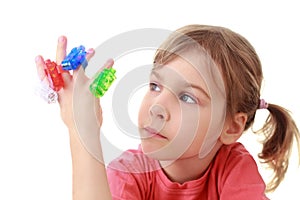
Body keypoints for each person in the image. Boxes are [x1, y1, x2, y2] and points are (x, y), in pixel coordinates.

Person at [35, 24, 300, 200]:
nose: (157, 106)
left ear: (231, 127)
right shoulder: (129, 173)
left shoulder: (234, 168)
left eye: (187, 97)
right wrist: (82, 127)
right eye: (154, 85)